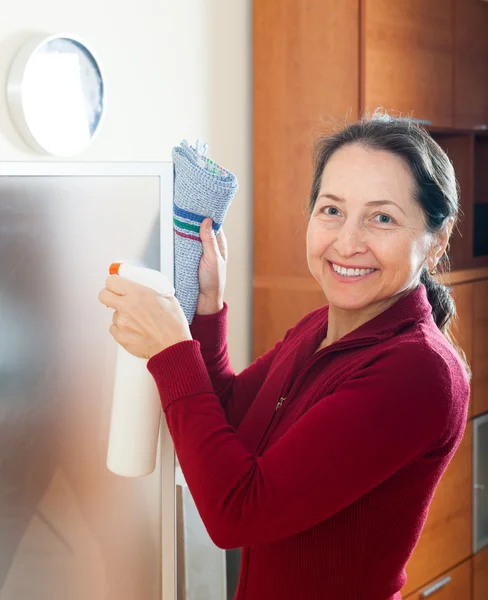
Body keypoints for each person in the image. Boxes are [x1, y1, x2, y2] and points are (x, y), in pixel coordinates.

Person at [98, 113, 471, 600]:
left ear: (436, 241)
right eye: (331, 210)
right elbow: (231, 417)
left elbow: (237, 513)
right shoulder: (323, 326)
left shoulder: (418, 372)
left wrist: (173, 350)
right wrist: (208, 307)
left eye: (382, 218)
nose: (347, 242)